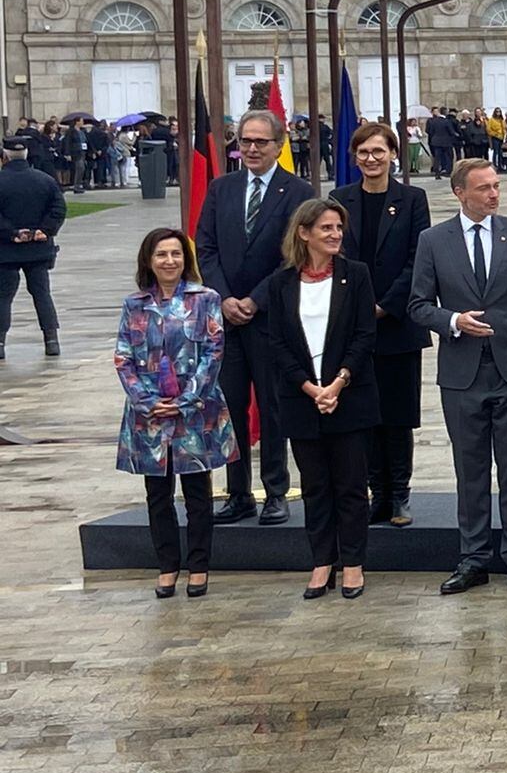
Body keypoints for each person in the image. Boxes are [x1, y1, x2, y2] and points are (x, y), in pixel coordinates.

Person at [408, 158, 507, 594]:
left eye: (496, 186)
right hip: (461, 374)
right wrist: (452, 320)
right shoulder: (433, 241)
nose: (494, 194)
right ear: (460, 193)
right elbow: (417, 305)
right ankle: (473, 558)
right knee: (469, 470)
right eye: (484, 188)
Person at [194, 109, 314, 525]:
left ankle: (276, 491)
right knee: (230, 407)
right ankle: (238, 492)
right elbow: (205, 248)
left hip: (271, 318)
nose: (251, 148)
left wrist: (256, 301)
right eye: (245, 140)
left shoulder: (297, 191)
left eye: (261, 142)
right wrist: (225, 298)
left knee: (273, 405)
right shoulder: (220, 189)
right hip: (226, 320)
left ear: (279, 145)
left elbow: (294, 256)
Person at [257, 199, 380, 601]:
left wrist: (338, 383)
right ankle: (322, 561)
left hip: (349, 396)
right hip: (301, 400)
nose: (335, 234)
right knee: (315, 486)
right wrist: (310, 388)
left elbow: (365, 335)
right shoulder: (281, 283)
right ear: (304, 233)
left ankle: (354, 563)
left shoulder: (356, 275)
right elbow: (277, 344)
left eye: (338, 227)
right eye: (326, 228)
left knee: (350, 485)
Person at [115, 229, 235, 598]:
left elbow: (214, 352)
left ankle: (198, 567)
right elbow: (124, 358)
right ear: (148, 261)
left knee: (198, 494)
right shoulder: (135, 304)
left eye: (176, 254)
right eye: (161, 255)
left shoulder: (206, 299)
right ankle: (167, 566)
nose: (170, 261)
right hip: (148, 417)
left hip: (196, 414)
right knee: (158, 495)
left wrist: (184, 400)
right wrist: (148, 402)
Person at [331, 123, 431, 526]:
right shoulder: (340, 199)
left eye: (378, 151)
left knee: (398, 414)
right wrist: (359, 306)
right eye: (363, 152)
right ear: (354, 157)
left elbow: (418, 258)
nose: (371, 159)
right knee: (365, 413)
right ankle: (378, 492)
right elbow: (332, 252)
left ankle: (400, 495)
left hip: (398, 323)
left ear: (393, 153)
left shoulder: (412, 199)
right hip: (354, 325)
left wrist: (386, 305)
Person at [0, 137, 65, 359]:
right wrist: (44, 230)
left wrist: (12, 233)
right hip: (38, 249)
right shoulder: (45, 180)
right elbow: (58, 208)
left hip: (6, 251)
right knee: (42, 294)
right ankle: (51, 340)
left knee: (3, 297)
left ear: (5, 156)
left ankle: (0, 343)